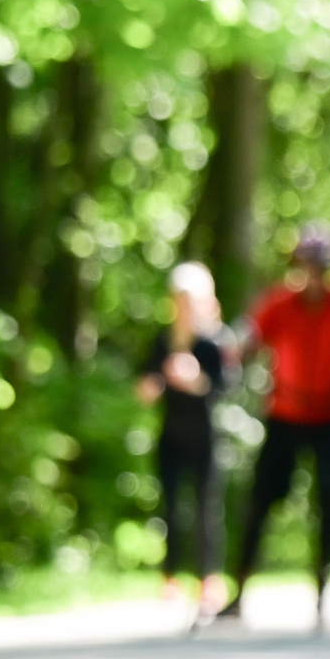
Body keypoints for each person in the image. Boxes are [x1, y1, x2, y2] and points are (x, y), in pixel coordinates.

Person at [215, 224, 330, 631]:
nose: (313, 274)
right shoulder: (278, 302)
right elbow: (246, 341)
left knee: (329, 496)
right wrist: (232, 346)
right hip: (286, 414)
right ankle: (239, 592)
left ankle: (322, 594)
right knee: (261, 499)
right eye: (307, 266)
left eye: (320, 267)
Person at [135, 261, 231, 623]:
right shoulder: (163, 341)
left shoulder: (214, 342)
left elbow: (225, 386)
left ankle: (208, 581)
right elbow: (145, 383)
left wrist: (195, 380)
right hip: (171, 435)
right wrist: (152, 386)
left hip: (205, 437)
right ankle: (170, 577)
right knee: (171, 508)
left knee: (207, 510)